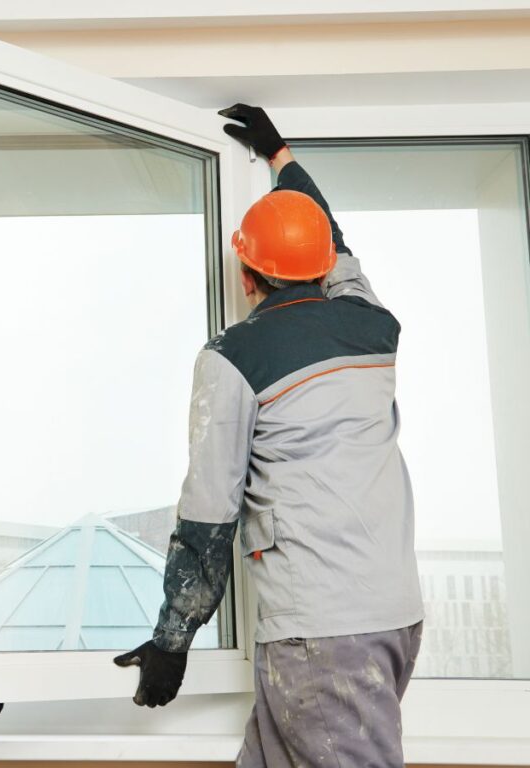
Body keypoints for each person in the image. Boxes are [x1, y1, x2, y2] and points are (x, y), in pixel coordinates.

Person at [114, 105, 424, 767]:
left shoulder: (234, 358)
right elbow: (329, 235)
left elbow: (208, 517)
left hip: (325, 634)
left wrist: (172, 641)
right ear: (323, 269)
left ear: (246, 276)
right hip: (390, 618)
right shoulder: (371, 322)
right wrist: (279, 154)